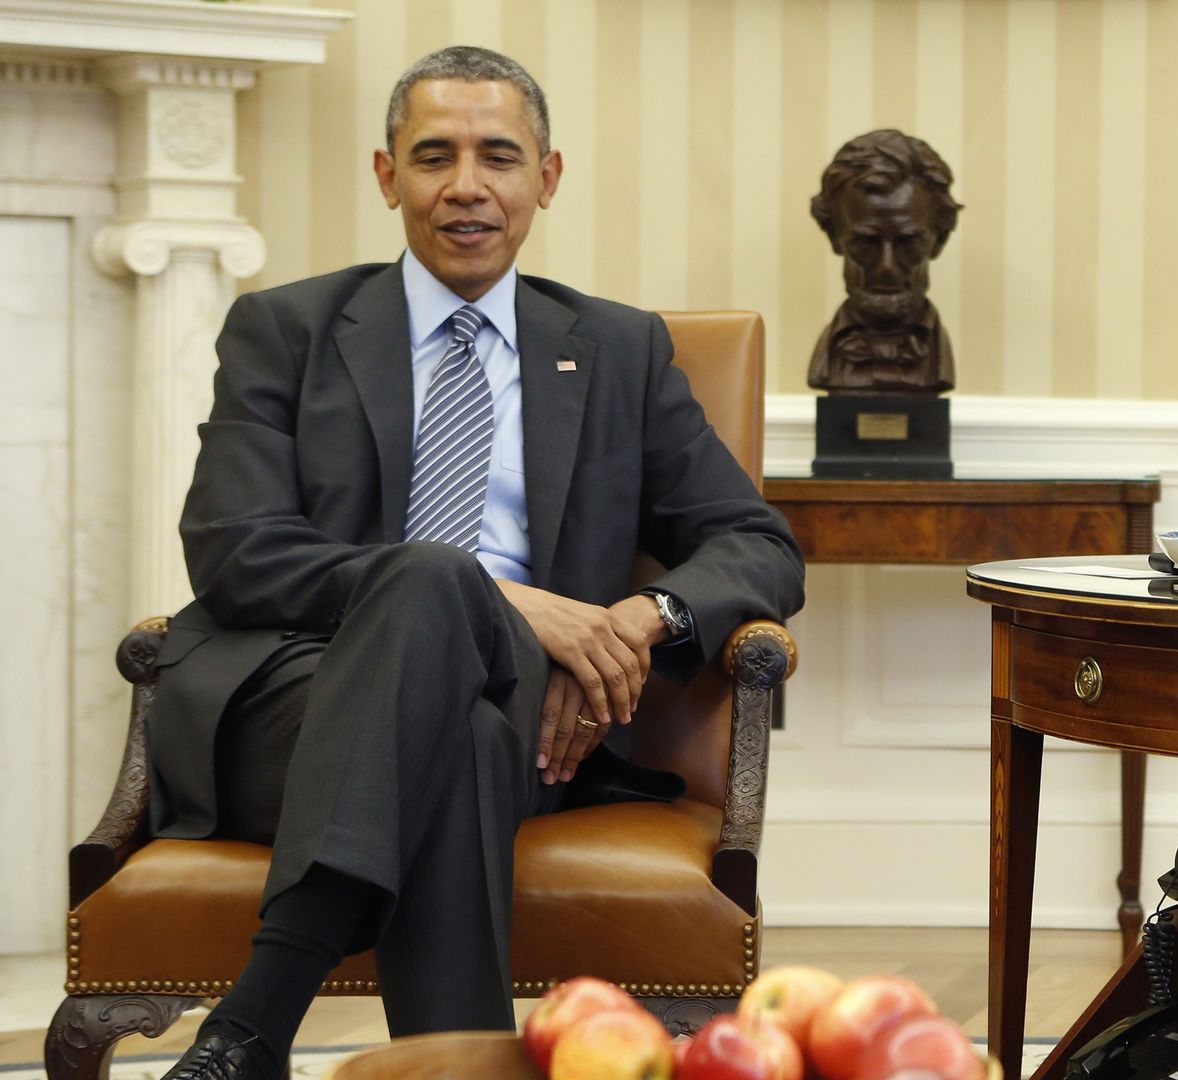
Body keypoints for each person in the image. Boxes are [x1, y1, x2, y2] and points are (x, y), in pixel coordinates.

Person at [151, 46, 804, 1079]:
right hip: (292, 701)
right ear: (386, 176)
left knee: (460, 717)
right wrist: (504, 603)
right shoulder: (285, 329)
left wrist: (635, 619)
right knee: (431, 581)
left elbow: (756, 542)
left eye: (497, 156)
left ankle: (250, 1029)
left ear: (545, 178)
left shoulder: (620, 351)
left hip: (524, 723)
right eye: (432, 156)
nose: (465, 186)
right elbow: (234, 549)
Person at [806, 128, 962, 395]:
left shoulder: (937, 358)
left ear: (939, 240)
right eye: (865, 243)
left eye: (908, 243)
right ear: (834, 236)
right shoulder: (827, 361)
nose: (887, 267)